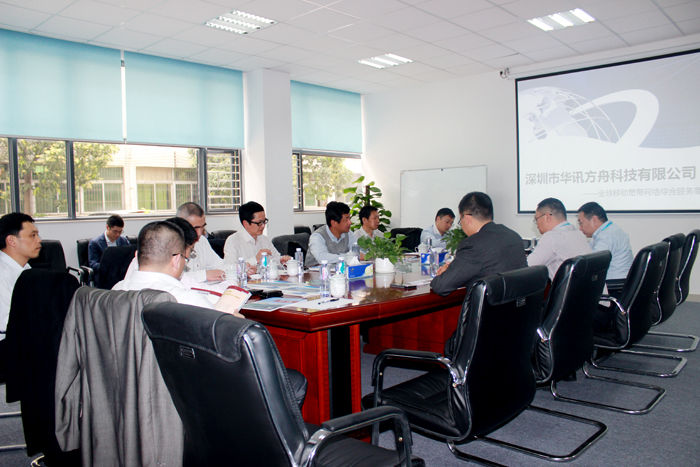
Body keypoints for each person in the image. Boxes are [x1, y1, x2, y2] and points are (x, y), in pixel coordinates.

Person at [113, 220, 241, 314]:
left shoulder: (116, 290)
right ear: (176, 260)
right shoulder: (187, 300)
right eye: (186, 258)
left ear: (137, 255)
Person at [430, 192, 526, 296]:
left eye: (460, 221)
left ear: (467, 218)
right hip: (514, 304)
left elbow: (440, 286)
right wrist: (454, 269)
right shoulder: (514, 237)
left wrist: (446, 273)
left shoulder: (472, 244)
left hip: (489, 305)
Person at [0, 213, 42, 349]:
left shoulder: (26, 269)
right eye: (32, 235)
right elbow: (7, 323)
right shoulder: (2, 275)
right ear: (12, 241)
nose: (39, 240)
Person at [527, 198, 592, 280]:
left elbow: (527, 268)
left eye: (536, 219)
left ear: (547, 217)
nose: (536, 223)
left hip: (569, 288)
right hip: (588, 287)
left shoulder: (551, 237)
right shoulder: (578, 233)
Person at [577, 202, 634, 286]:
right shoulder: (609, 230)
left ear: (594, 220)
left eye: (581, 223)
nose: (580, 228)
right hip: (621, 282)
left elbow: (593, 264)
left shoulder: (607, 236)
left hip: (614, 285)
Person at [223, 201, 290, 267]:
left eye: (264, 221)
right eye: (259, 223)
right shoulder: (232, 241)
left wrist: (281, 261)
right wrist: (255, 259)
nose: (263, 226)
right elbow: (229, 268)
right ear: (246, 223)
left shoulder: (264, 239)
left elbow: (276, 258)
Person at [176, 202, 225, 282]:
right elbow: (171, 278)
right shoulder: (170, 244)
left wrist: (238, 268)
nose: (199, 233)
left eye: (202, 227)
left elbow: (220, 265)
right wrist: (204, 275)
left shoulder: (201, 240)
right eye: (195, 228)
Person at [306, 201, 357, 267]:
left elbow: (356, 252)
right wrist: (347, 257)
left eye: (349, 219)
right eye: (346, 220)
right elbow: (322, 257)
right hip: (315, 272)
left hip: (340, 271)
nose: (350, 222)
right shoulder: (317, 236)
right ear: (334, 223)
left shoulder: (349, 234)